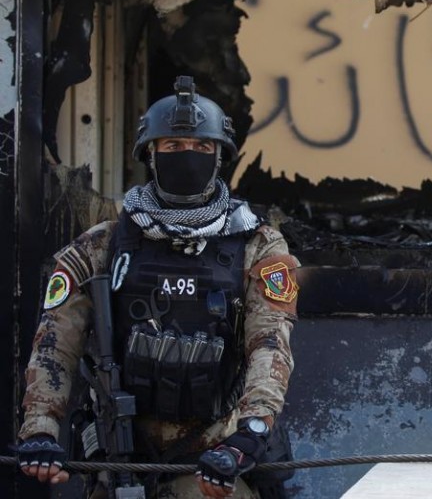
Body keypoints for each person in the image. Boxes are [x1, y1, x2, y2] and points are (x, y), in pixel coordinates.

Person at [15, 75, 299, 498]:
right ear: (151, 153)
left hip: (215, 457)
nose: (187, 155)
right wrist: (40, 430)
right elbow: (56, 342)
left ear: (219, 156)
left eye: (201, 146)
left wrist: (252, 431)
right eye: (172, 145)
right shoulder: (103, 244)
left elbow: (270, 346)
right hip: (121, 456)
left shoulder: (257, 245)